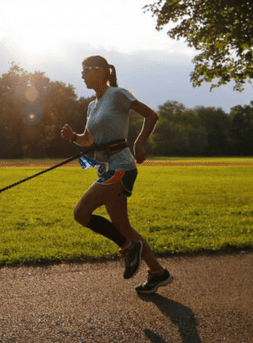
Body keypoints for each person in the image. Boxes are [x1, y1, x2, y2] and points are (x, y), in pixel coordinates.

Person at [60, 55, 172, 294]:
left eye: (86, 70)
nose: (82, 74)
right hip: (106, 169)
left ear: (101, 71)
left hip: (121, 167)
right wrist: (74, 138)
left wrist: (140, 143)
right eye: (81, 70)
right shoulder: (92, 105)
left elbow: (151, 115)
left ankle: (128, 247)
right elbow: (88, 140)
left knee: (81, 213)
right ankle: (157, 272)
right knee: (123, 226)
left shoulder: (118, 95)